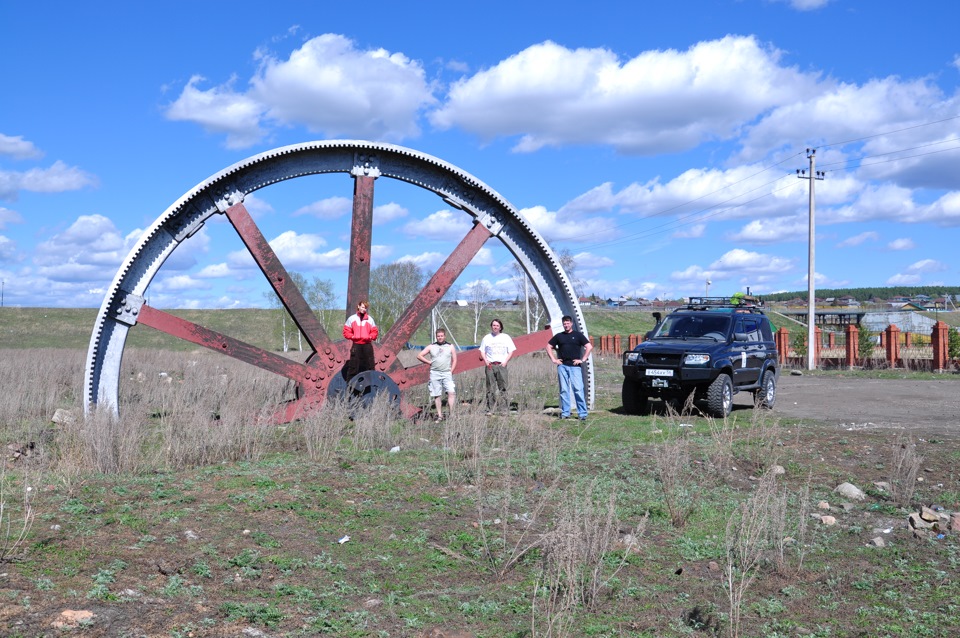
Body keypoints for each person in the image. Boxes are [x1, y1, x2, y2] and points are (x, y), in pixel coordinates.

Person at [545, 315, 593, 421]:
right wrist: (554, 359)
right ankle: (565, 413)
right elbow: (548, 346)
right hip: (562, 366)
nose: (566, 325)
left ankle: (582, 414)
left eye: (568, 323)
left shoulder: (578, 335)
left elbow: (589, 347)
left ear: (571, 324)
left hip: (575, 367)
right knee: (564, 390)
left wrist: (583, 360)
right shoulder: (559, 336)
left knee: (578, 389)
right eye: (564, 324)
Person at [416, 328, 458, 421]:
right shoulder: (431, 346)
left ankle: (452, 415)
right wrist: (429, 362)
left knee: (451, 392)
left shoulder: (450, 346)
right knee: (437, 394)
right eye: (438, 336)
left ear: (445, 336)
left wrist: (451, 371)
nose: (440, 337)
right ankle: (440, 416)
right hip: (435, 373)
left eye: (442, 336)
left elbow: (455, 360)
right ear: (436, 337)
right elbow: (419, 355)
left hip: (447, 373)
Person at [479, 318, 516, 415]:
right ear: (491, 326)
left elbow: (511, 351)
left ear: (500, 327)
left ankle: (504, 409)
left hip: (501, 365)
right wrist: (486, 361)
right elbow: (482, 351)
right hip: (490, 365)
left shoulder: (506, 337)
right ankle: (490, 409)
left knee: (503, 387)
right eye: (493, 325)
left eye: (497, 325)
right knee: (490, 388)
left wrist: (505, 362)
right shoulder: (486, 338)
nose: (495, 327)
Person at [342, 300, 378, 381]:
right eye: (362, 307)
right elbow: (346, 331)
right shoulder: (352, 318)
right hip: (356, 344)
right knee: (353, 366)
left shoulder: (370, 319)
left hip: (367, 345)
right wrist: (352, 336)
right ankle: (350, 385)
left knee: (370, 366)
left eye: (365, 308)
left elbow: (374, 332)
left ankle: (370, 385)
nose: (364, 309)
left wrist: (370, 337)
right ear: (358, 306)